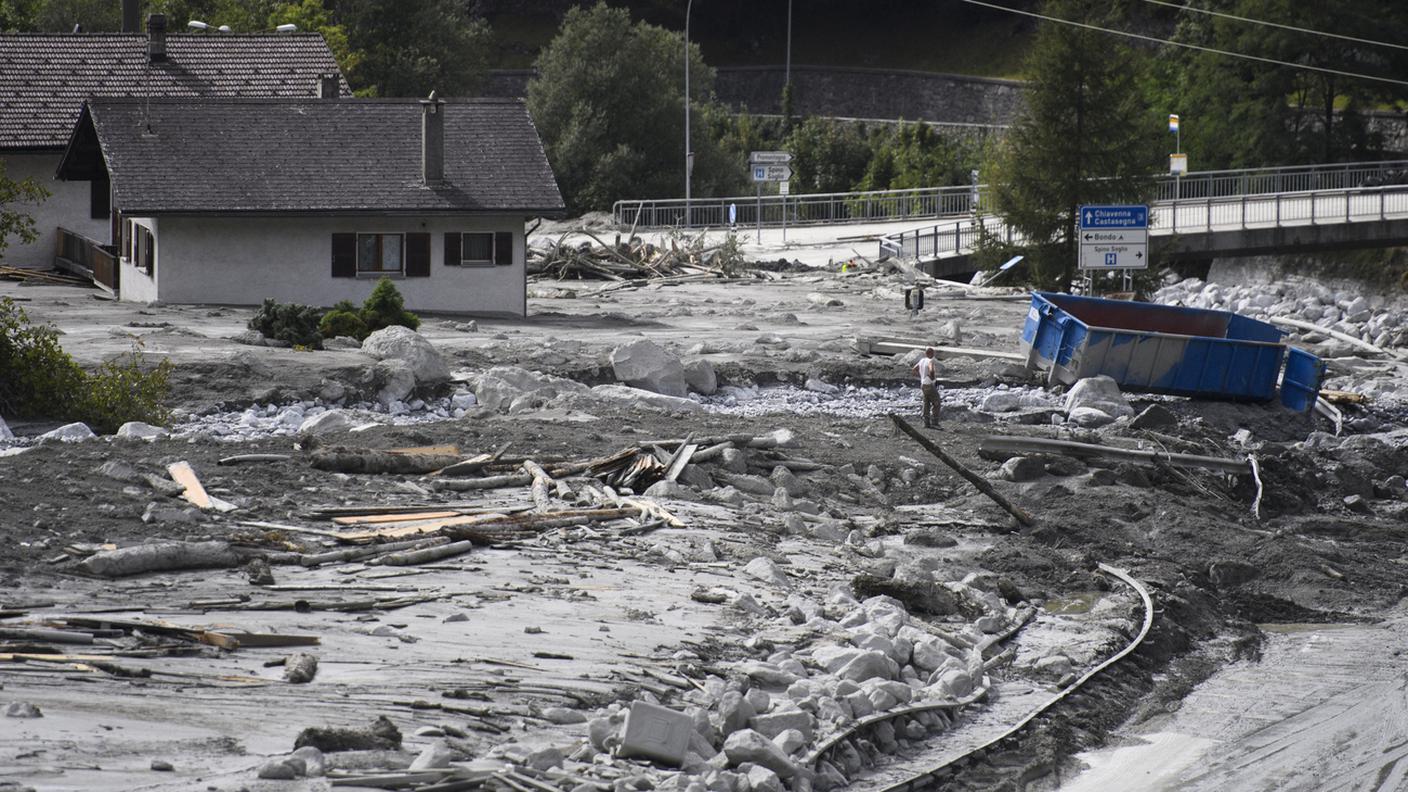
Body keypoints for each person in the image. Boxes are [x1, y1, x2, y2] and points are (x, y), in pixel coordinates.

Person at [911, 347, 941, 427]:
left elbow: (914, 369)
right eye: (933, 353)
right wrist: (931, 378)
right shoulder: (930, 361)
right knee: (937, 402)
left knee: (926, 402)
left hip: (923, 385)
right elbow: (931, 370)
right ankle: (935, 422)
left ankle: (926, 422)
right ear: (931, 353)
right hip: (929, 384)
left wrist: (921, 376)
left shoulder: (922, 361)